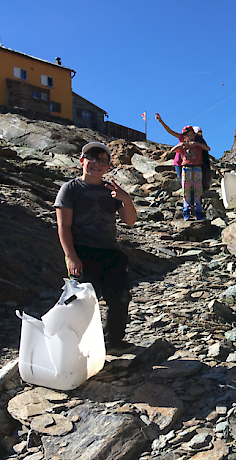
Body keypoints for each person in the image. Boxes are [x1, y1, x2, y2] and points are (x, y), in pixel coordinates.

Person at [54, 142, 138, 356]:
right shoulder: (70, 189)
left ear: (108, 167)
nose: (96, 164)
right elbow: (63, 226)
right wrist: (71, 256)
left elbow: (130, 221)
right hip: (82, 252)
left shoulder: (112, 191)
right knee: (82, 303)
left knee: (119, 297)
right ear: (81, 160)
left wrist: (125, 198)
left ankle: (113, 341)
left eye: (102, 161)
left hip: (110, 252)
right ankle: (79, 348)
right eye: (91, 158)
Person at [171, 127, 210, 220]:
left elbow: (208, 149)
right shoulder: (182, 146)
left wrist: (196, 144)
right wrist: (181, 144)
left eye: (192, 134)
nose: (191, 136)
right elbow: (172, 150)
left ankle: (199, 212)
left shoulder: (198, 144)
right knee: (186, 190)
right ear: (185, 136)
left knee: (197, 190)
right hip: (186, 168)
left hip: (197, 168)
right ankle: (186, 211)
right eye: (188, 135)